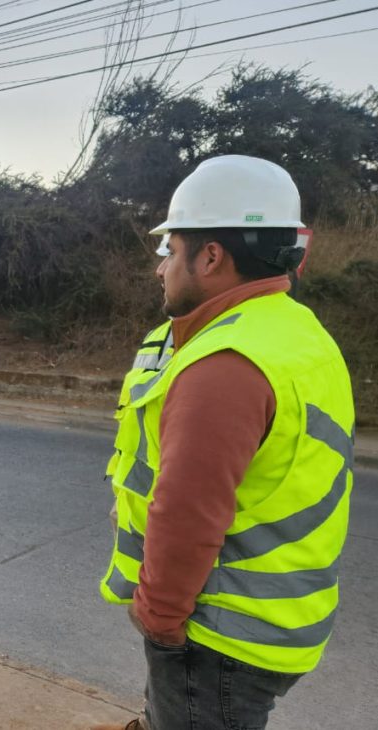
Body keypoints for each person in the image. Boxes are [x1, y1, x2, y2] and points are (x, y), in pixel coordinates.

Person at [93, 156, 354, 730]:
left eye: (171, 249)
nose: (159, 268)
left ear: (210, 256)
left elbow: (189, 512)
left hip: (219, 635)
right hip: (275, 622)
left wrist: (159, 617)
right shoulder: (293, 331)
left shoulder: (227, 364)